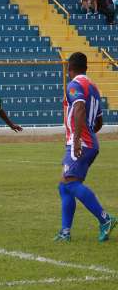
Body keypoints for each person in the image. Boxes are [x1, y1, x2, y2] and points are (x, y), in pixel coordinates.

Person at [55, 52, 114, 242]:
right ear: (86, 68)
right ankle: (65, 232)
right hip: (89, 141)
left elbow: (79, 108)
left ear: (69, 69)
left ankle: (105, 219)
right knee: (64, 186)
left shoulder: (74, 85)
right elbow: (99, 122)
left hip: (80, 141)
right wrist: (87, 134)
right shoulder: (93, 88)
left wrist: (79, 138)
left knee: (70, 183)